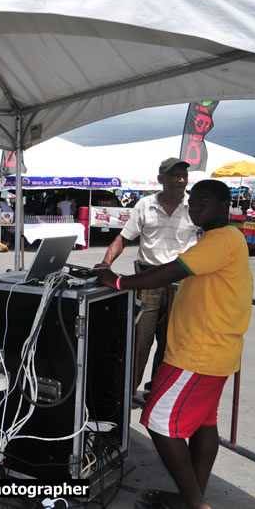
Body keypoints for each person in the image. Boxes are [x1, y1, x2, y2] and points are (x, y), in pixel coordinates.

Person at [94, 179, 252, 509]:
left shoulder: (221, 239)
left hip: (199, 354)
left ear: (225, 206)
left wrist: (118, 280)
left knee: (159, 421)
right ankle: (191, 495)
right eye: (193, 202)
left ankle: (195, 502)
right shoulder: (224, 238)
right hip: (215, 351)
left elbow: (170, 272)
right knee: (205, 423)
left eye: (203, 202)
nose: (195, 207)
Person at [96, 158, 198, 396]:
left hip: (181, 281)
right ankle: (128, 391)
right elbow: (123, 238)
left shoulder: (194, 205)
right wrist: (105, 263)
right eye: (175, 176)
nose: (181, 180)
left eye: (184, 175)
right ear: (161, 178)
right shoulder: (144, 205)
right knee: (139, 340)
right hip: (148, 279)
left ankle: (158, 391)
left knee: (171, 343)